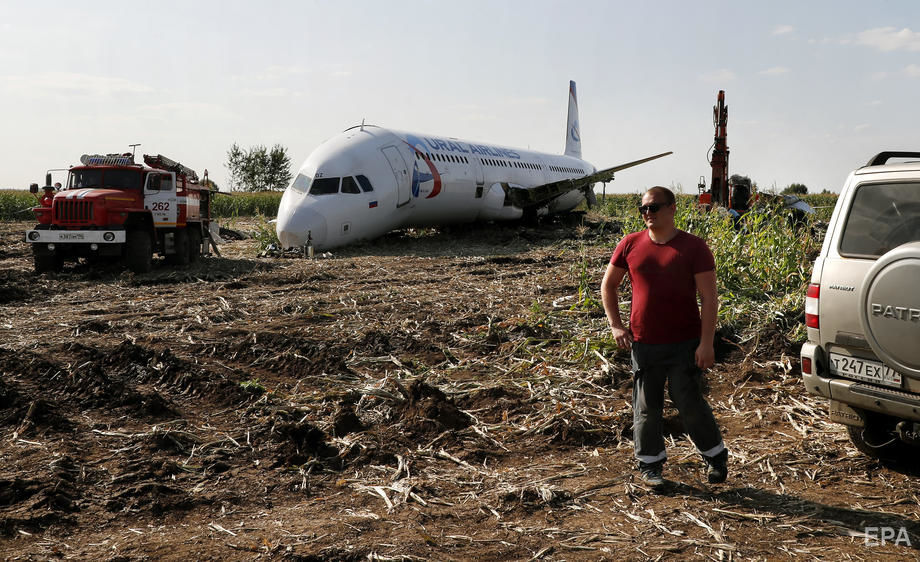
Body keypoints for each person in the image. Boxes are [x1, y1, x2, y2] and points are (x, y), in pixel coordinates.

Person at [600, 186, 727, 489]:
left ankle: (715, 457)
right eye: (643, 208)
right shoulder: (629, 244)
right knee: (646, 407)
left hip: (685, 343)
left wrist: (706, 343)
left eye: (654, 207)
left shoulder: (693, 247)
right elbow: (609, 286)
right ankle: (650, 466)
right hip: (644, 344)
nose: (647, 213)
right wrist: (616, 325)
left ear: (672, 208)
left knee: (689, 403)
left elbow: (709, 299)